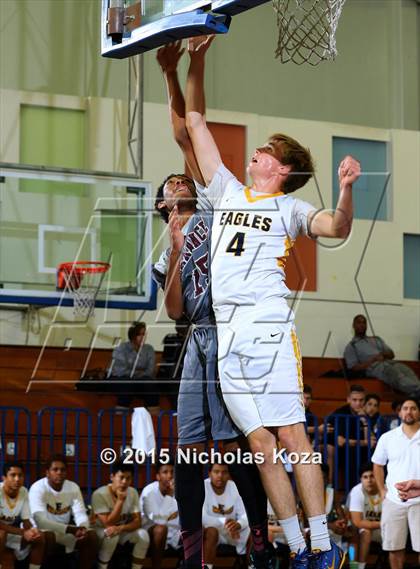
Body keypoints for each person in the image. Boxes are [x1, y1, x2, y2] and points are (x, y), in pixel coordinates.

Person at [183, 33, 361, 568]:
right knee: (260, 445)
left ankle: (324, 549)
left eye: (266, 151)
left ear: (280, 169)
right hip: (226, 332)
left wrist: (346, 187)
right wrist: (199, 59)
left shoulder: (289, 207)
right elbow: (194, 123)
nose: (256, 150)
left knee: (290, 433)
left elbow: (336, 226)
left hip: (266, 327)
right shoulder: (227, 191)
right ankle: (298, 548)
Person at [155, 40, 273, 569]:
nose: (181, 180)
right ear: (163, 204)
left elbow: (187, 129)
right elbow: (176, 310)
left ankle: (261, 534)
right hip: (198, 340)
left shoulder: (209, 207)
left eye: (184, 178)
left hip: (232, 329)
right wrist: (178, 254)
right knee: (188, 449)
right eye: (172, 184)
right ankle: (188, 547)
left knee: (234, 446)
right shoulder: (169, 244)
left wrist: (178, 70)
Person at [372, 398, 420, 569]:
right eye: (405, 408)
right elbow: (377, 465)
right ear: (399, 413)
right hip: (393, 500)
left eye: (413, 408)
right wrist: (382, 491)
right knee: (394, 548)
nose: (409, 411)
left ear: (418, 412)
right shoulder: (387, 438)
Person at [28, 454, 98, 569]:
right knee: (48, 536)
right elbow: (41, 522)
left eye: (62, 470)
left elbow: (80, 513)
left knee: (91, 536)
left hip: (65, 531)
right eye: (55, 469)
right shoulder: (38, 488)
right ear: (47, 473)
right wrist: (71, 529)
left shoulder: (73, 487)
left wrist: (83, 528)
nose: (59, 472)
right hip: (42, 531)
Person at [91, 461, 149, 569]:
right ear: (112, 477)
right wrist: (120, 501)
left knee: (143, 535)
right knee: (111, 535)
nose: (124, 482)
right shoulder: (99, 494)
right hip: (99, 530)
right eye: (121, 477)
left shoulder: (133, 492)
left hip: (119, 530)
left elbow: (138, 522)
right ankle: (101, 567)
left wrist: (121, 528)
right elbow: (108, 523)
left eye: (128, 478)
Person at [344, 315, 420, 397]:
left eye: (364, 323)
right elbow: (354, 367)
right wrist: (373, 359)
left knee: (408, 372)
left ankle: (415, 395)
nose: (362, 325)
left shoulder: (376, 339)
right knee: (396, 375)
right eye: (359, 322)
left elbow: (391, 354)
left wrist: (383, 354)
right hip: (376, 368)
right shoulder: (352, 346)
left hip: (391, 362)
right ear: (353, 325)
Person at [0, 462, 53, 569]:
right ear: (4, 478)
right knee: (1, 535)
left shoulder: (23, 491)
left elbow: (26, 521)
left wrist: (32, 532)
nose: (17, 479)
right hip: (2, 534)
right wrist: (24, 532)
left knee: (39, 537)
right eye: (13, 475)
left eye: (20, 475)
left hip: (8, 533)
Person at [202, 464, 249, 568]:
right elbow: (202, 518)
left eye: (224, 472)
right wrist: (226, 522)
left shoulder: (235, 487)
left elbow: (245, 514)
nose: (220, 475)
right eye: (216, 472)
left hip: (232, 532)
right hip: (212, 531)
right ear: (209, 473)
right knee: (211, 531)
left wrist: (238, 524)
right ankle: (207, 566)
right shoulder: (202, 486)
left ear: (229, 474)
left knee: (252, 529)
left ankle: (250, 565)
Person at [140, 461, 181, 568]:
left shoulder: (181, 490)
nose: (170, 475)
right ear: (158, 476)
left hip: (174, 533)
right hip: (151, 532)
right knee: (160, 530)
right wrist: (169, 496)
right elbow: (159, 521)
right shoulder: (149, 491)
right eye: (165, 472)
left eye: (172, 472)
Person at [108, 321, 157, 408]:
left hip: (139, 380)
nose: (143, 337)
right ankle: (120, 417)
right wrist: (139, 372)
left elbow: (150, 371)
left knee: (151, 384)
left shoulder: (149, 349)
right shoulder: (121, 348)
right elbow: (120, 371)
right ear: (133, 336)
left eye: (144, 334)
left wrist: (133, 372)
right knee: (127, 384)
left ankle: (154, 417)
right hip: (118, 379)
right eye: (139, 334)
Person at [347, 463, 382, 569]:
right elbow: (357, 522)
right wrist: (383, 523)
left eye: (372, 476)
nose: (369, 480)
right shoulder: (357, 491)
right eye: (365, 477)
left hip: (379, 527)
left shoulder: (385, 490)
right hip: (355, 525)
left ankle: (362, 565)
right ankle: (354, 566)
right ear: (361, 479)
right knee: (357, 533)